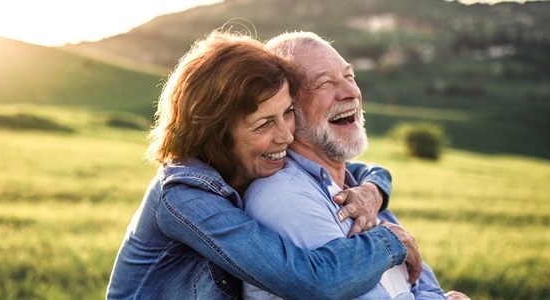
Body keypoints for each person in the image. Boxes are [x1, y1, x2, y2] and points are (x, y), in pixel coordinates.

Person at [106, 30, 423, 299]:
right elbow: (312, 281)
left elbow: (354, 171)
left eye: (287, 113)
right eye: (263, 125)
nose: (286, 136)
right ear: (217, 134)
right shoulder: (184, 197)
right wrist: (390, 240)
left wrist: (372, 190)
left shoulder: (245, 166)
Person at [243, 31, 470, 299]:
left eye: (349, 76)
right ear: (287, 109)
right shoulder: (284, 196)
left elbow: (420, 279)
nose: (351, 92)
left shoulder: (362, 193)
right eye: (325, 83)